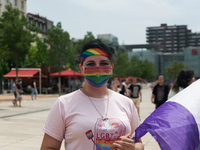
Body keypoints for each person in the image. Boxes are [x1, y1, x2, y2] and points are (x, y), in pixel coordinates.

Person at [41, 39, 144, 150]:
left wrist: (134, 148)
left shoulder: (126, 103)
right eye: (91, 64)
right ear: (81, 68)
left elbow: (139, 143)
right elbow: (48, 147)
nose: (98, 68)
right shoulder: (64, 104)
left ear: (111, 68)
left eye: (104, 63)